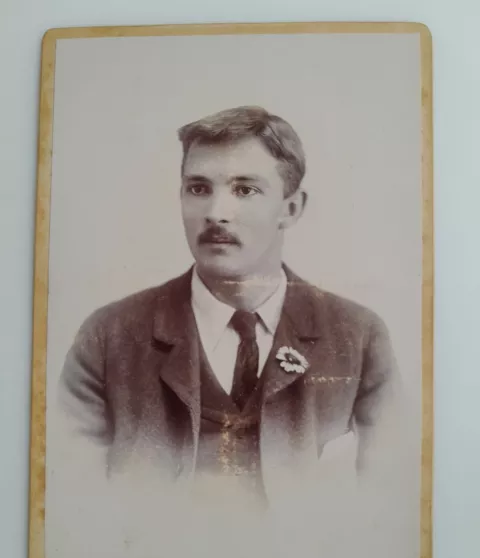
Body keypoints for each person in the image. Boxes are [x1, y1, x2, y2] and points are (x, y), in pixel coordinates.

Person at [59, 105, 398, 508]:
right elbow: (70, 508)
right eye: (199, 188)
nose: (216, 214)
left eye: (245, 190)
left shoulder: (358, 337)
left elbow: (392, 504)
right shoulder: (108, 337)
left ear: (291, 209)